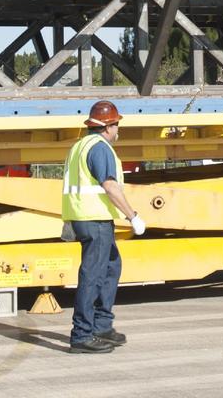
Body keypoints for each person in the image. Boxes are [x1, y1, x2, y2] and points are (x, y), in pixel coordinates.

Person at [61, 100, 146, 353]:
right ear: (108, 126)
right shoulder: (100, 148)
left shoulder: (80, 146)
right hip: (94, 219)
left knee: (110, 267)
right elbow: (109, 185)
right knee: (93, 275)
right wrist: (132, 216)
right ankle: (82, 335)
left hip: (84, 217)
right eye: (117, 124)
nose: (118, 129)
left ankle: (101, 326)